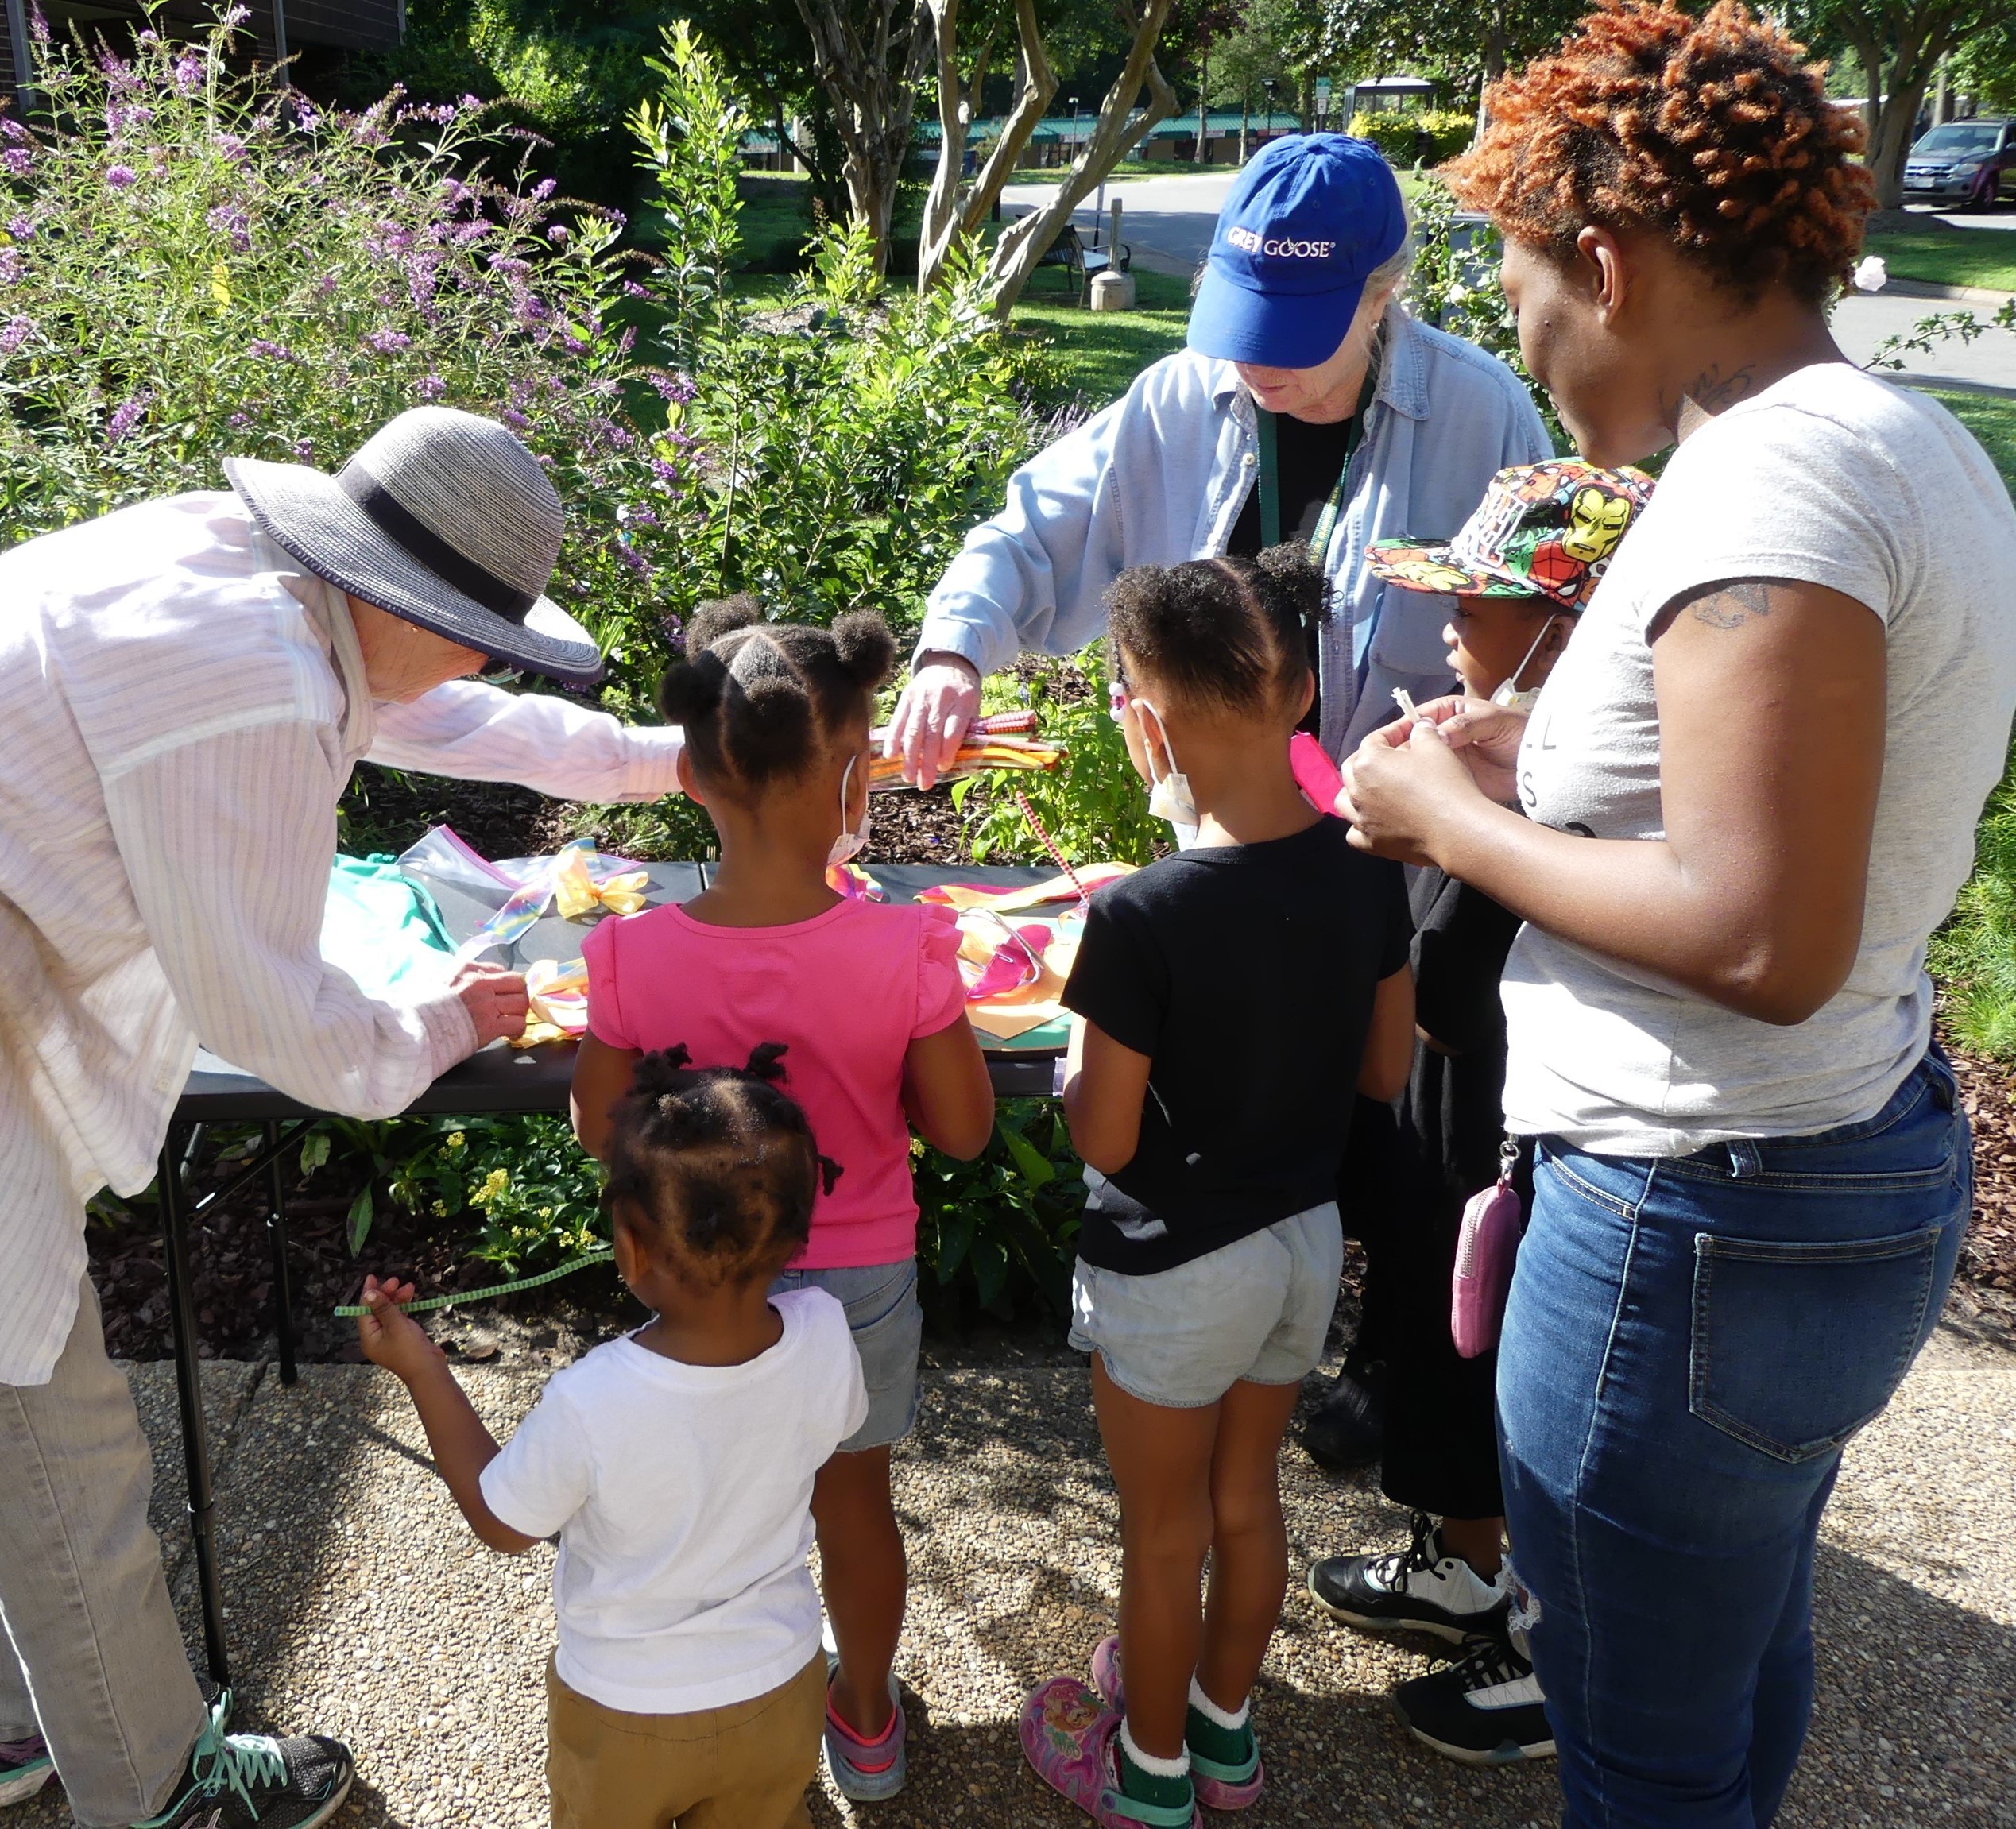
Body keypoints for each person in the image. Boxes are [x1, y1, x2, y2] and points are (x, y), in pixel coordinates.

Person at [1335, 2, 2016, 1819]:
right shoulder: (1891, 433)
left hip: (1692, 1208)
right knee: (1725, 1654)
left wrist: (1434, 817)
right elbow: (1796, 809)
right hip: (1818, 1167)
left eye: (1521, 298)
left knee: (1634, 1741)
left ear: (1607, 261)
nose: (1529, 346)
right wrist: (1537, 746)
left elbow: (1753, 933)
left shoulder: (1765, 484)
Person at [0, 406, 687, 1829]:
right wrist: (445, 1020)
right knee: (61, 1450)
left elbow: (466, 716)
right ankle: (157, 1791)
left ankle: (19, 1724)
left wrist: (679, 760)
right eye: (475, 625)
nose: (487, 656)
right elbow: (275, 1017)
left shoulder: (247, 569)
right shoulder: (252, 684)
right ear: (394, 589)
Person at [568, 600, 996, 1802]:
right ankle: (863, 1718)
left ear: (694, 775)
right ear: (854, 775)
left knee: (715, 1494)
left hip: (701, 1278)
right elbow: (962, 1132)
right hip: (858, 1275)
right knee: (853, 1500)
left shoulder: (631, 953)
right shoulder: (905, 946)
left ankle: (712, 1695)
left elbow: (598, 1126)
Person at [1018, 548, 1415, 1829]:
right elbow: (1385, 1065)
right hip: (1303, 1239)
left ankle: (1146, 1773)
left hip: (1178, 1264)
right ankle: (1226, 1738)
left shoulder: (1141, 915)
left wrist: (1091, 1029)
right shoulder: (1367, 872)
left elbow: (1104, 1133)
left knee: (1163, 1532)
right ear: (1304, 689)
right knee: (1247, 1502)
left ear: (1142, 716)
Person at [1302, 461, 1653, 1764]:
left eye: (1479, 601)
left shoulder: (1564, 782)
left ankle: (1537, 1635)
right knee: (1438, 1351)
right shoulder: (1493, 745)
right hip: (1446, 1131)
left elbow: (1451, 983)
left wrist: (1432, 829)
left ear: (1569, 629)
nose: (1449, 620)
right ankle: (1458, 1566)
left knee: (1498, 1369)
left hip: (1504, 1137)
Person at [884, 133, 1553, 793]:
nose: (1255, 361)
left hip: (1405, 840)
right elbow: (1030, 535)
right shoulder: (1173, 397)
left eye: (1292, 333)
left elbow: (1546, 639)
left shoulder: (1483, 414)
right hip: (1213, 831)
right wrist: (951, 655)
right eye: (1241, 322)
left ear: (1381, 297)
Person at [356, 1046, 866, 1829]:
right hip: (778, 1687)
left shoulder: (593, 1398)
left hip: (627, 1713)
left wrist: (423, 1370)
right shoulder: (826, 1333)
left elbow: (503, 1520)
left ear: (629, 1249)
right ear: (797, 1230)